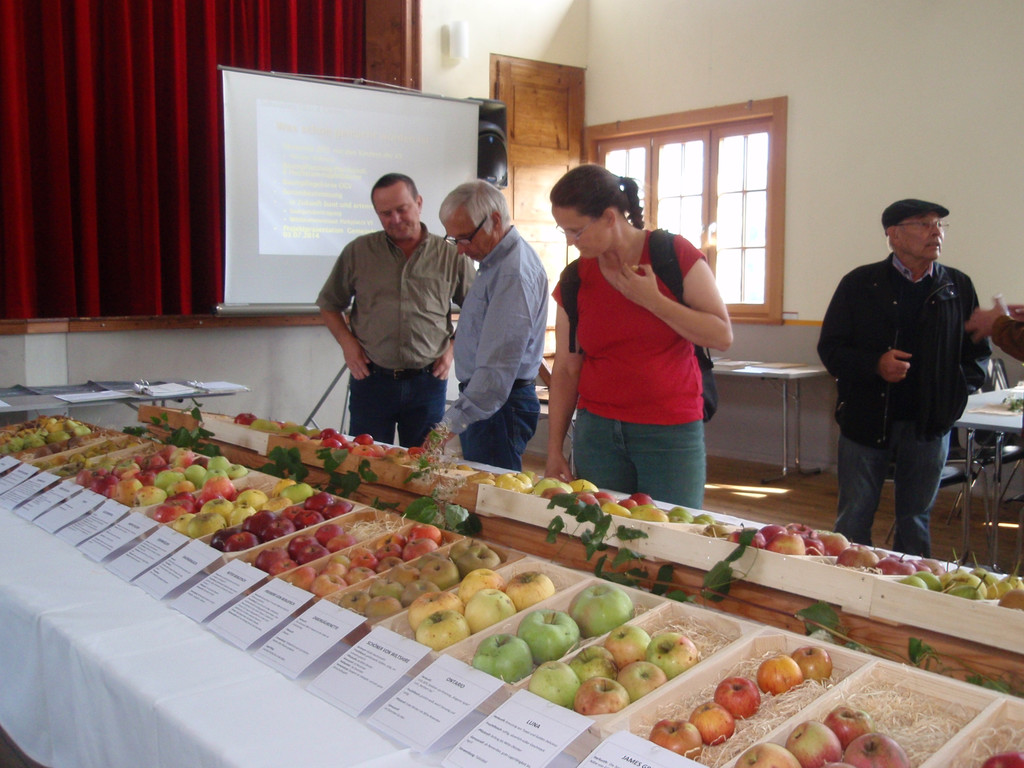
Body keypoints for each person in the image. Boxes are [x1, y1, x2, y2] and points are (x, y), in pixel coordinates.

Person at [544, 164, 732, 508]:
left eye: (576, 230)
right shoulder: (574, 279)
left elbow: (721, 335)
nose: (571, 241)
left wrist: (654, 301)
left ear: (609, 217)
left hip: (669, 431)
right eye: (564, 231)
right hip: (597, 433)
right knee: (598, 531)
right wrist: (555, 448)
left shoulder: (672, 254)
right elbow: (567, 368)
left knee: (672, 532)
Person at [818, 198, 990, 557]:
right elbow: (831, 350)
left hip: (929, 425)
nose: (936, 232)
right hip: (865, 420)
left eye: (939, 224)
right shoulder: (859, 283)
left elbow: (977, 356)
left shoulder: (957, 286)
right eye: (924, 224)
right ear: (894, 235)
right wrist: (875, 365)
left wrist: (952, 395)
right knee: (853, 517)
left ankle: (910, 585)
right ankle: (848, 581)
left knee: (915, 521)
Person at [316, 173, 477, 447]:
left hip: (428, 382)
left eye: (402, 209)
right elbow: (329, 304)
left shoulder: (451, 255)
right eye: (386, 213)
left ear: (419, 203)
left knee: (421, 462)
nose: (395, 219)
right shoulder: (358, 252)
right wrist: (347, 344)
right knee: (365, 463)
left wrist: (452, 349)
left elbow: (477, 310)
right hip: (371, 380)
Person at [432, 181, 549, 470]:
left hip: (497, 407)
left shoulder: (512, 273)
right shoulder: (494, 263)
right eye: (454, 240)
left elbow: (496, 369)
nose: (460, 251)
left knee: (490, 494)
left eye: (465, 238)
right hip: (491, 405)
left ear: (495, 220)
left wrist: (447, 427)